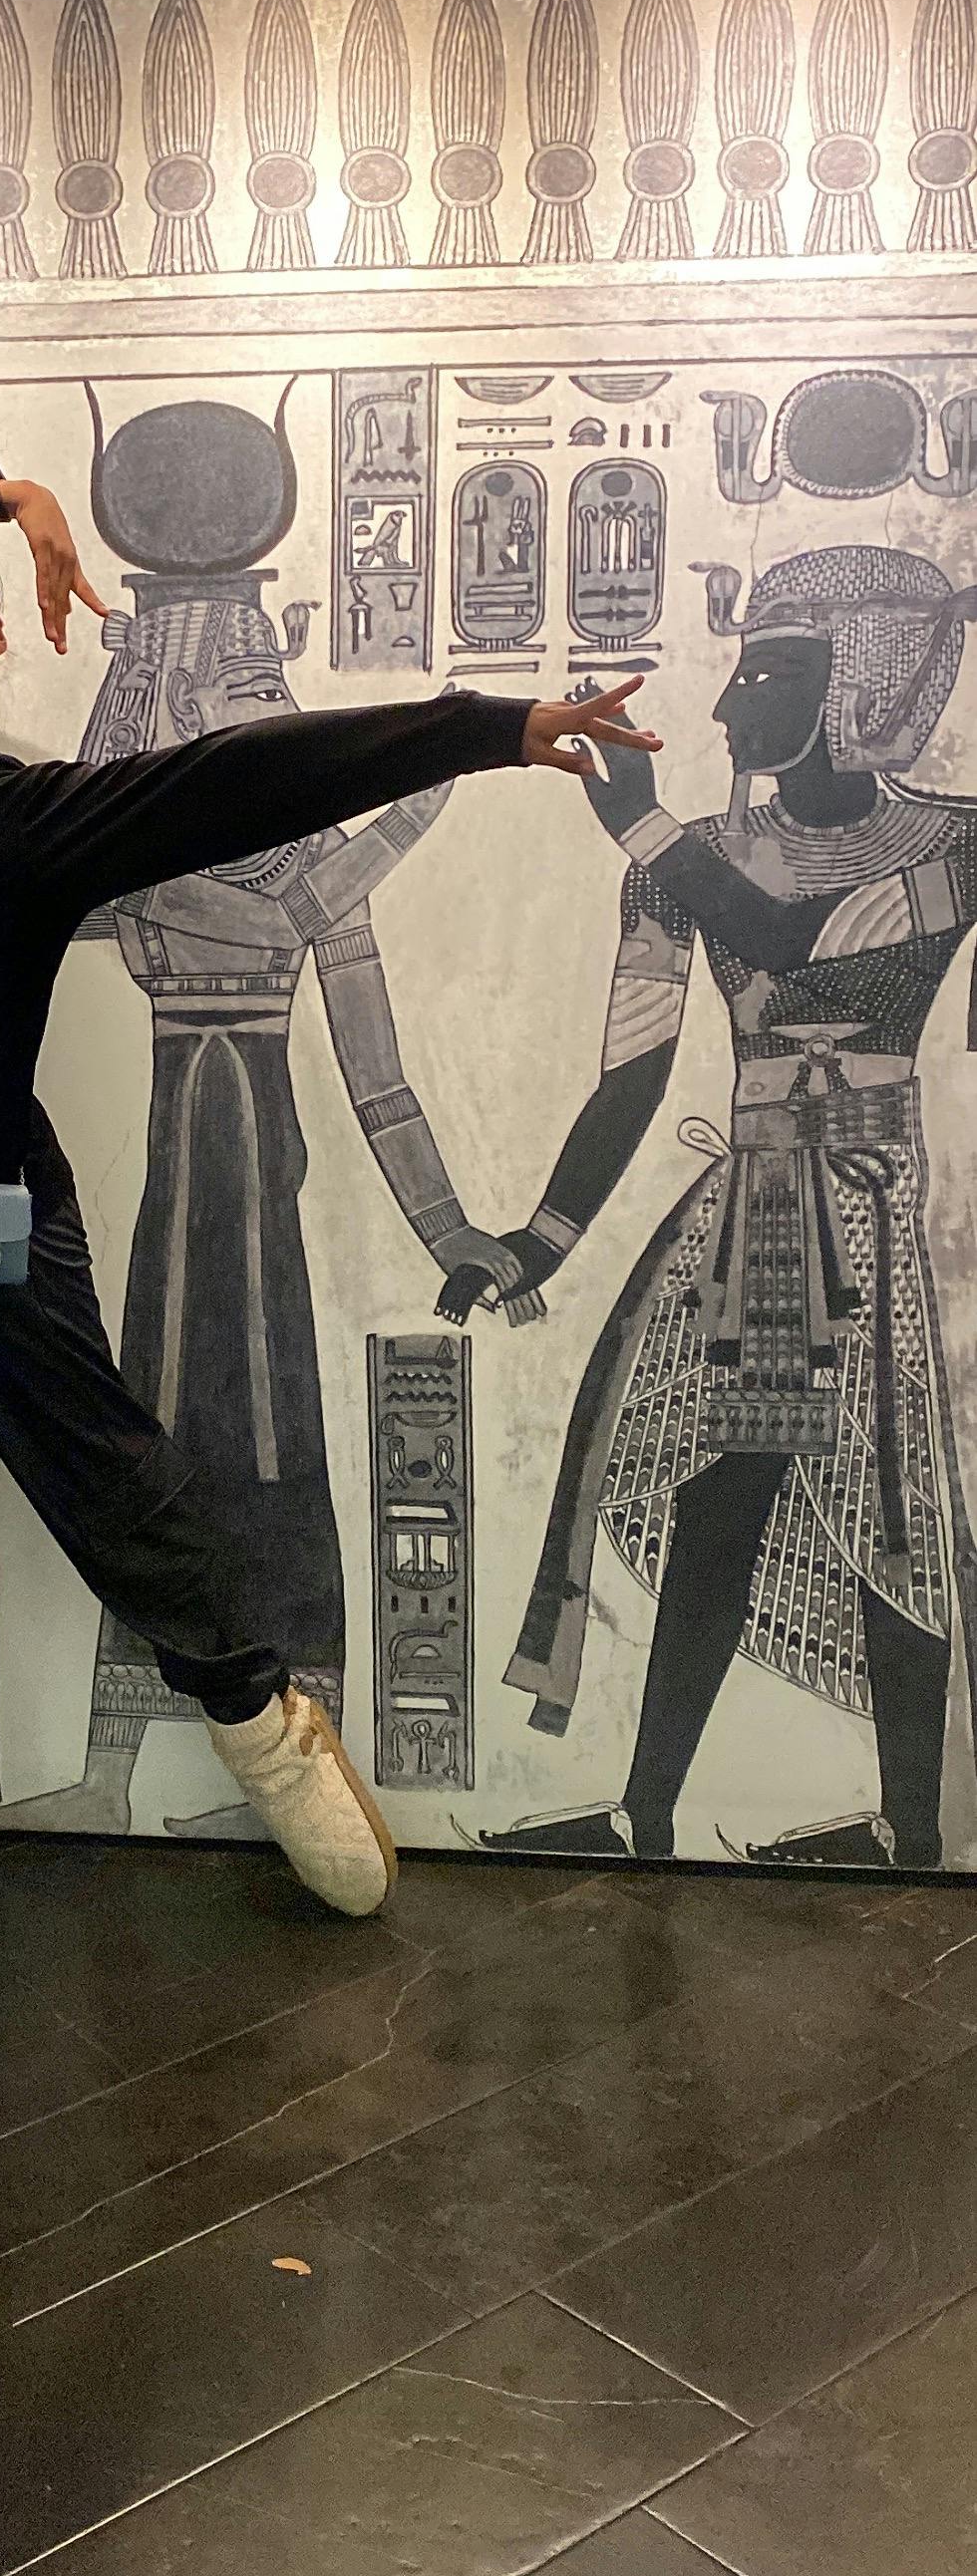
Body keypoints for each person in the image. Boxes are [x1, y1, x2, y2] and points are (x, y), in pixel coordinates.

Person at [0, 451, 658, 1979]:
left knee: (97, 1471)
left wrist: (489, 729)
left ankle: (264, 1725)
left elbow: (253, 775)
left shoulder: (28, 818)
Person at [440, 542, 977, 1871]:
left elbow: (810, 941)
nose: (730, 708)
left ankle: (919, 1831)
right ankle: (650, 1812)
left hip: (880, 1211)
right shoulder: (683, 863)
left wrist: (646, 828)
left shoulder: (954, 845)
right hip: (756, 1214)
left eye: (770, 677)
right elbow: (631, 1074)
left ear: (863, 684)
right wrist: (539, 1241)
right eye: (739, 674)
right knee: (719, 1493)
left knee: (896, 1512)